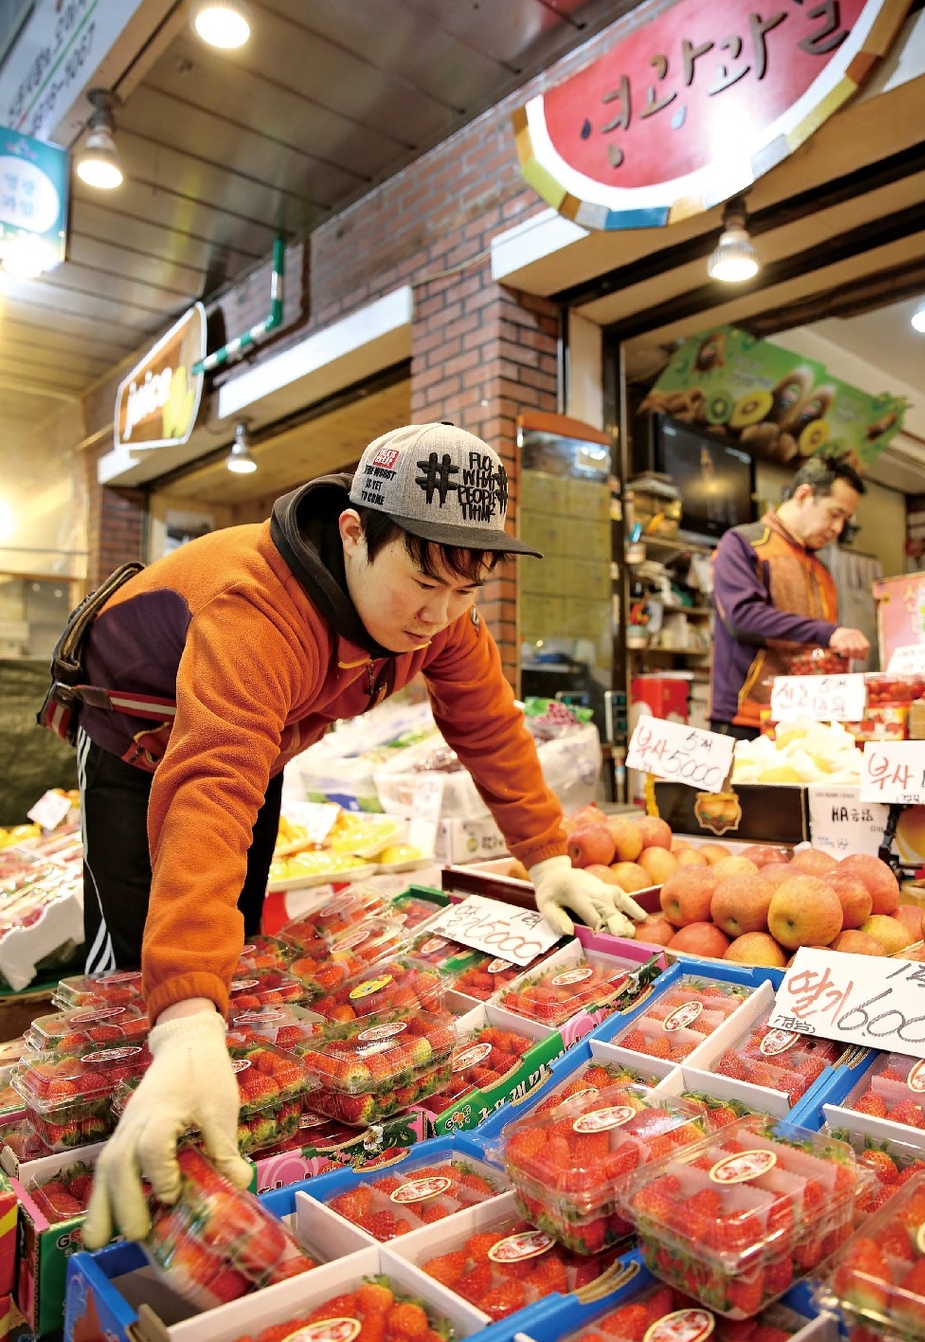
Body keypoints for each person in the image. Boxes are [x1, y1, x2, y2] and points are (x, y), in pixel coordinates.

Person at [69, 421, 643, 1248]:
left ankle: (202, 1110)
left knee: (231, 929)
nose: (439, 614)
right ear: (352, 532)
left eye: (464, 589)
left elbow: (486, 722)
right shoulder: (258, 608)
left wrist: (547, 858)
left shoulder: (440, 615)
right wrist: (186, 1018)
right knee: (135, 982)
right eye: (421, 581)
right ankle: (109, 1168)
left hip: (252, 746)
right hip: (137, 740)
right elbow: (208, 791)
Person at [709, 453, 871, 737]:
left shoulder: (820, 568)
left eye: (845, 519)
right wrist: (827, 632)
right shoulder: (743, 543)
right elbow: (742, 616)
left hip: (806, 721)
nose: (837, 528)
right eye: (834, 513)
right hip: (747, 718)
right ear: (804, 494)